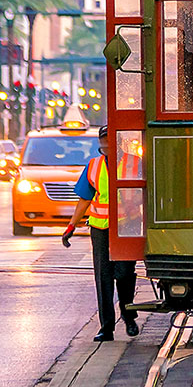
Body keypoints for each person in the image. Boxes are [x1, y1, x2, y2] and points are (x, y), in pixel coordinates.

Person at [62, 126, 138, 342]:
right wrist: (71, 226)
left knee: (124, 274)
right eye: (102, 140)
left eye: (109, 140)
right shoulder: (93, 166)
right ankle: (107, 327)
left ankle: (128, 315)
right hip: (100, 229)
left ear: (118, 142)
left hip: (126, 226)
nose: (105, 144)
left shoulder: (134, 163)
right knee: (103, 277)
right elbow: (85, 198)